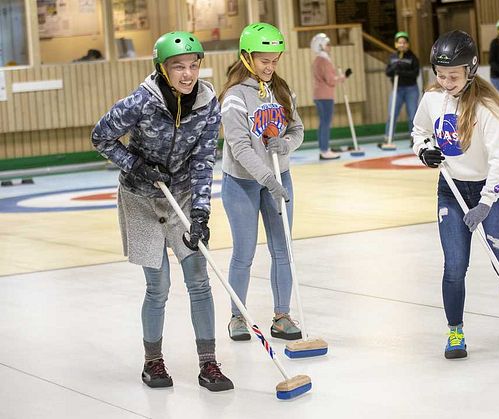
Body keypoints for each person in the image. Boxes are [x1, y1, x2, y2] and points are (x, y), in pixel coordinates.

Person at [91, 31, 232, 391]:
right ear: (162, 70)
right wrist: (135, 164)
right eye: (178, 67)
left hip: (182, 194)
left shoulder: (207, 103)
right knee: (159, 286)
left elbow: (203, 160)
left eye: (193, 65)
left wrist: (201, 214)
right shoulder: (140, 102)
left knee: (199, 280)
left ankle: (209, 364)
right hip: (140, 197)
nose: (187, 74)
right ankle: (153, 361)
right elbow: (101, 136)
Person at [411, 30, 499, 360]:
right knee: (454, 266)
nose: (445, 81)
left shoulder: (487, 107)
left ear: (470, 69)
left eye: (452, 76)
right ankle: (455, 333)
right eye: (440, 75)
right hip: (451, 192)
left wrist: (485, 203)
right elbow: (420, 131)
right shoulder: (432, 99)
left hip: (489, 194)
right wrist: (424, 150)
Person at [219, 23, 305, 342]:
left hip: (279, 178)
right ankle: (237, 316)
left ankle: (282, 316)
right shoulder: (234, 98)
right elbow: (240, 148)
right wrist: (268, 179)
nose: (270, 67)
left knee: (283, 249)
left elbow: (297, 130)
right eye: (264, 60)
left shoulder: (281, 91)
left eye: (275, 60)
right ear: (246, 57)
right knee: (244, 252)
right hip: (242, 183)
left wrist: (287, 145)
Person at [311, 33, 351, 159]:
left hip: (320, 95)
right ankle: (324, 150)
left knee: (323, 123)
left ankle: (324, 148)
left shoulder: (318, 60)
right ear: (321, 46)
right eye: (327, 44)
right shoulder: (324, 61)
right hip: (325, 96)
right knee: (325, 123)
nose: (330, 46)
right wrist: (343, 77)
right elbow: (331, 80)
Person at [384, 31, 421, 144]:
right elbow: (388, 72)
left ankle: (414, 139)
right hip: (397, 90)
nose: (402, 45)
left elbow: (415, 74)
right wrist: (394, 68)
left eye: (404, 43)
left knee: (412, 116)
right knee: (392, 114)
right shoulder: (393, 57)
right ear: (396, 44)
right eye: (399, 43)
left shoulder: (412, 57)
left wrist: (401, 71)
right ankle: (388, 138)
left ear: (407, 44)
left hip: (411, 89)